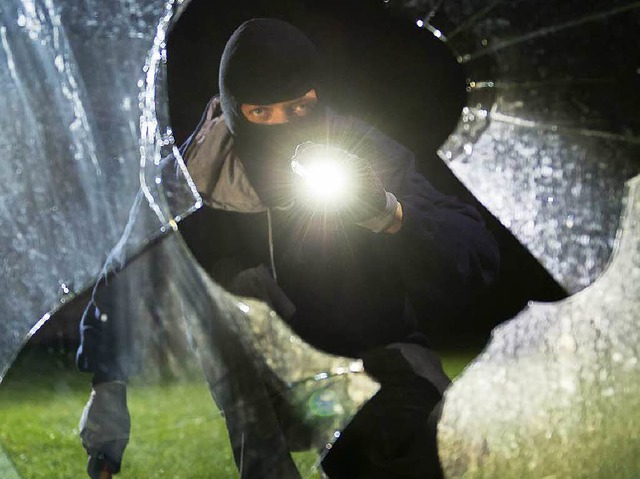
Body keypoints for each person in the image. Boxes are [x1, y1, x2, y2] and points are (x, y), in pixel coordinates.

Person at [76, 18, 500, 479]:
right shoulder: (190, 184)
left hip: (371, 358)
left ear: (316, 97)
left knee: (430, 454)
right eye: (262, 113)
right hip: (264, 388)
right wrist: (108, 392)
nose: (282, 124)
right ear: (237, 111)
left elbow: (475, 251)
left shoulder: (360, 150)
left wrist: (388, 212)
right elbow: (128, 273)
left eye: (298, 108)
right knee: (232, 294)